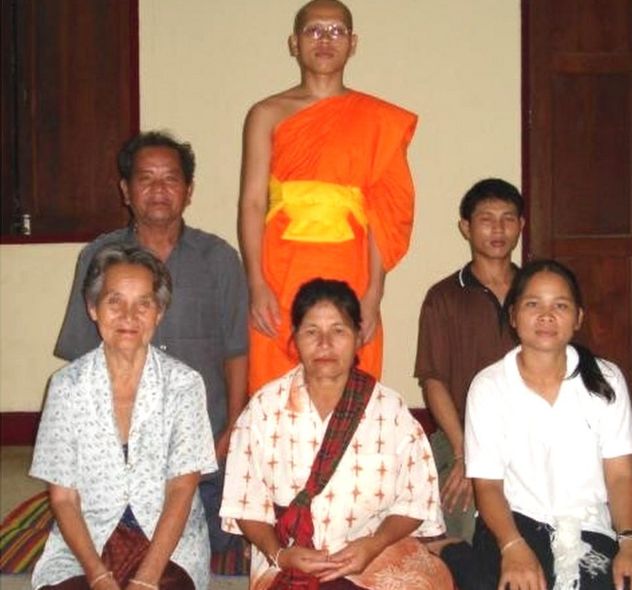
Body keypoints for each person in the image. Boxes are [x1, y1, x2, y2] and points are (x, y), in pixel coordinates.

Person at [54, 131, 248, 553]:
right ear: (126, 190)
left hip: (201, 452)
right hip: (117, 452)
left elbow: (236, 350)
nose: (159, 190)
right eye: (146, 179)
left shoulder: (219, 259)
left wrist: (232, 428)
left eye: (171, 179)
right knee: (99, 545)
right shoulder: (98, 257)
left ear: (189, 190)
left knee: (220, 542)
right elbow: (79, 359)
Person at [220, 278, 454, 590]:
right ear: (295, 339)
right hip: (286, 556)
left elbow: (416, 500)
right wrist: (281, 554)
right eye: (312, 332)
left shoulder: (389, 409)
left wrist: (372, 544)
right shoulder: (264, 408)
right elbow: (244, 501)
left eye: (338, 331)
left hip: (375, 554)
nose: (325, 344)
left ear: (359, 338)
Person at [239, 0, 418, 393]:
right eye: (313, 30)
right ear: (294, 43)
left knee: (350, 375)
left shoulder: (377, 119)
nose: (325, 40)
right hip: (281, 268)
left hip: (350, 268)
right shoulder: (267, 113)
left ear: (353, 43)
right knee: (275, 381)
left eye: (336, 31)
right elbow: (252, 203)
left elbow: (384, 216)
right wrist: (256, 283)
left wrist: (373, 294)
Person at [30, 244, 217, 590]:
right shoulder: (66, 387)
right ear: (92, 308)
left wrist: (147, 579)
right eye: (115, 301)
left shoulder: (184, 384)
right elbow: (64, 498)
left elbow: (181, 489)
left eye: (143, 303)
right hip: (88, 538)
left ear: (159, 313)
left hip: (165, 543)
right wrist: (98, 575)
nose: (129, 316)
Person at [465, 259, 632, 590]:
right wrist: (513, 548)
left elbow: (621, 475)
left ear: (578, 318)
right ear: (513, 315)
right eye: (533, 304)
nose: (546, 316)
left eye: (560, 305)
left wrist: (630, 542)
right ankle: (459, 555)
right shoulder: (489, 386)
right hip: (512, 524)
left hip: (589, 527)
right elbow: (487, 486)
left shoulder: (606, 379)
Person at [414, 178, 524, 541]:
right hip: (459, 434)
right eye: (486, 219)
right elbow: (433, 380)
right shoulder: (443, 297)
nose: (498, 229)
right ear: (466, 227)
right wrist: (466, 453)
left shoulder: (537, 292)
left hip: (528, 434)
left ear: (521, 226)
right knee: (458, 531)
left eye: (508, 218)